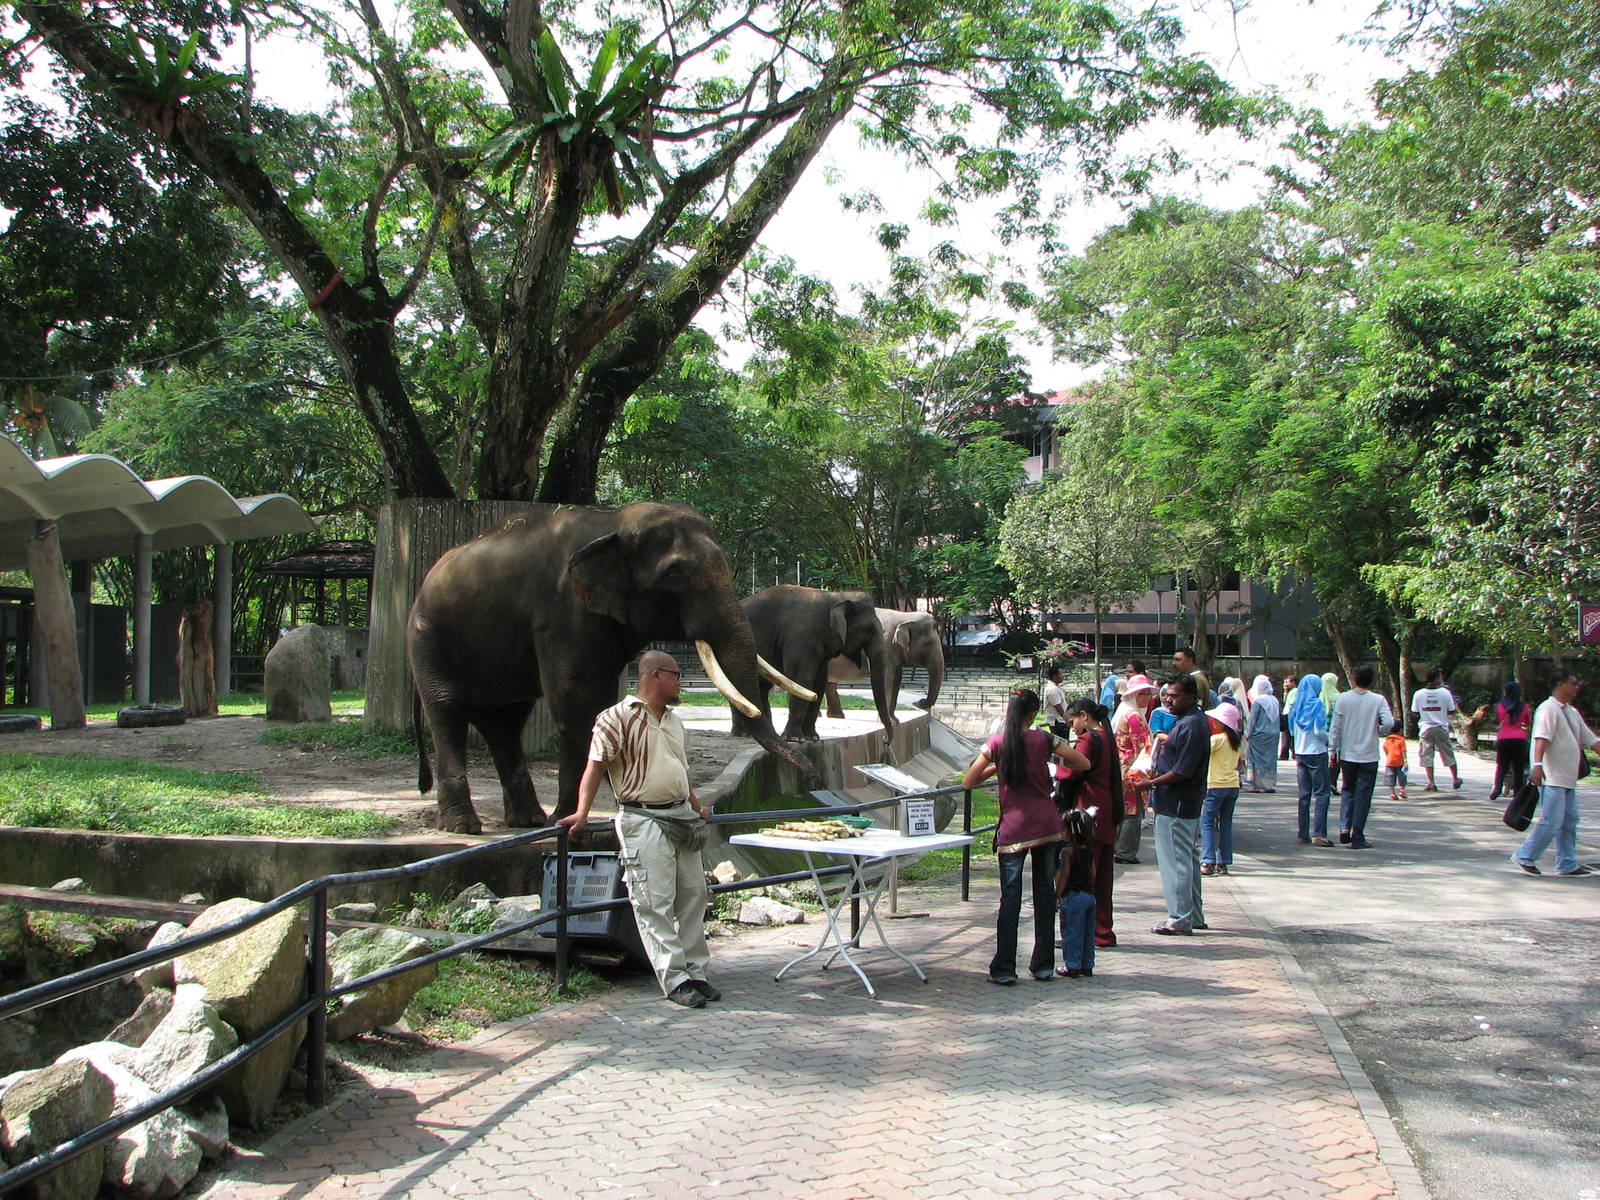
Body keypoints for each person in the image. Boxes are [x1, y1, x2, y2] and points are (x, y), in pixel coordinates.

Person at [561, 650, 716, 1008]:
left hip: (681, 817)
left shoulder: (675, 721)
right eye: (676, 675)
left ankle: (697, 972)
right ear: (656, 676)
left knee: (694, 894)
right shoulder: (615, 718)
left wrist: (696, 806)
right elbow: (595, 766)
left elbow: (679, 770)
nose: (680, 682)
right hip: (643, 819)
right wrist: (581, 812)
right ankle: (674, 978)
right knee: (654, 900)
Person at [964, 688, 1091, 983]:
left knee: (1011, 898)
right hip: (1046, 825)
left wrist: (1002, 765)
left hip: (1014, 828)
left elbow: (969, 780)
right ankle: (1043, 964)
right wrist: (1049, 764)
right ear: (1034, 713)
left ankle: (1005, 968)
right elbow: (1083, 763)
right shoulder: (1044, 740)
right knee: (1045, 893)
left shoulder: (997, 743)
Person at [1131, 674, 1209, 935]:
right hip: (1177, 801)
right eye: (1166, 695)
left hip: (1177, 803)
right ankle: (1193, 914)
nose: (1168, 699)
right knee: (1185, 857)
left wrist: (1149, 784)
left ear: (1191, 697)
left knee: (1176, 861)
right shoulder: (1186, 722)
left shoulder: (1193, 726)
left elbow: (1182, 771)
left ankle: (1179, 918)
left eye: (1174, 695)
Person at [1512, 670, 1600, 877]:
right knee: (1551, 820)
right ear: (1561, 684)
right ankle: (1524, 855)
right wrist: (1537, 765)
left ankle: (1567, 863)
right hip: (1552, 777)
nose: (1577, 687)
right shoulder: (1548, 709)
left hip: (1567, 777)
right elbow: (1541, 739)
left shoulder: (1570, 711)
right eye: (1573, 682)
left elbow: (1592, 740)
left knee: (1569, 821)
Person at [1060, 696, 1122, 947]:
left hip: (1088, 810)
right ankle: (1103, 930)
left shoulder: (1088, 739)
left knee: (1084, 874)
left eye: (1072, 720)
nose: (1072, 727)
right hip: (1106, 810)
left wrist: (1054, 767)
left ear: (1084, 716)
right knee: (1103, 876)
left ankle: (1082, 933)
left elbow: (1073, 769)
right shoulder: (1107, 736)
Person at [1328, 664, 1394, 849]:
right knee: (1363, 794)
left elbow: (1335, 727)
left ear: (1354, 679)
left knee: (1347, 790)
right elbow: (1389, 722)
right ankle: (1358, 834)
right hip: (1369, 754)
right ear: (1371, 680)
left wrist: (1333, 750)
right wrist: (1377, 730)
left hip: (1348, 754)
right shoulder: (1378, 700)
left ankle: (1344, 826)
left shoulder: (1343, 699)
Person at [1112, 674, 1156, 863]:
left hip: (1122, 768)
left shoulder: (1125, 711)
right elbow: (1142, 747)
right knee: (1133, 811)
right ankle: (1125, 852)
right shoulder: (1134, 717)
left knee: (1125, 809)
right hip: (1134, 770)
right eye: (1142, 694)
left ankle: (1119, 848)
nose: (1147, 698)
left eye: (1148, 694)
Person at [1289, 673, 1332, 846]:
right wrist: (1330, 740)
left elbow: (1292, 731)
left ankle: (1302, 833)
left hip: (1300, 752)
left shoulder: (1296, 707)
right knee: (1322, 793)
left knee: (1304, 795)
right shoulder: (1316, 705)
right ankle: (1319, 834)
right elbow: (1318, 731)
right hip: (1316, 752)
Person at [1201, 702, 1243, 876]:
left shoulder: (1216, 740)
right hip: (1232, 785)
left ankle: (1208, 860)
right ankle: (1224, 861)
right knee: (1226, 823)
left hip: (1215, 785)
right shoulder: (1237, 741)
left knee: (1207, 822)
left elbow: (1201, 754)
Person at [1054, 807, 1097, 978]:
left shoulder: (1067, 852)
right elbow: (1093, 872)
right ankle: (1087, 964)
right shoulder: (1090, 850)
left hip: (1072, 897)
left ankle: (1072, 965)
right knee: (1088, 932)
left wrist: (1057, 894)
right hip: (1089, 896)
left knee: (1072, 933)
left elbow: (1064, 875)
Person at [1411, 668, 1462, 790]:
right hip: (1441, 727)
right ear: (1437, 678)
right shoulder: (1445, 693)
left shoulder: (1418, 694)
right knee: (1448, 754)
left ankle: (1431, 783)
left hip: (1426, 728)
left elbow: (1414, 712)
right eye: (1440, 676)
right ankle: (1455, 779)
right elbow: (1451, 710)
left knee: (1427, 756)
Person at [1489, 681, 1534, 802]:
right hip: (1520, 739)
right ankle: (1517, 793)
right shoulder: (1524, 707)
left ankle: (1497, 788)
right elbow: (1528, 722)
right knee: (1518, 768)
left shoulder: (1500, 706)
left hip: (1503, 738)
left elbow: (1498, 719)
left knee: (1501, 765)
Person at [1244, 675, 1280, 792]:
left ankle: (1257, 785)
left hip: (1259, 735)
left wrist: (1248, 734)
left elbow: (1253, 719)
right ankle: (1269, 784)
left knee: (1257, 761)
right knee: (1270, 761)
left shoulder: (1259, 701)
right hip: (1273, 735)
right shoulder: (1275, 700)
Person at [1382, 722, 1409, 802]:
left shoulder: (1387, 740)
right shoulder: (1401, 740)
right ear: (1400, 730)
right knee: (1402, 776)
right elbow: (1403, 751)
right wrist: (1405, 761)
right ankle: (1402, 790)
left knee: (1390, 777)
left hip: (1390, 762)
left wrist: (1388, 757)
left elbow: (1385, 749)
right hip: (1400, 761)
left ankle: (1393, 793)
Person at [1041, 664, 1070, 734]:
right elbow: (1058, 707)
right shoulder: (1052, 689)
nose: (1062, 676)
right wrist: (1066, 720)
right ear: (1054, 676)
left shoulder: (1056, 687)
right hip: (1058, 722)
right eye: (1060, 674)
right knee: (1061, 742)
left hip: (1061, 721)